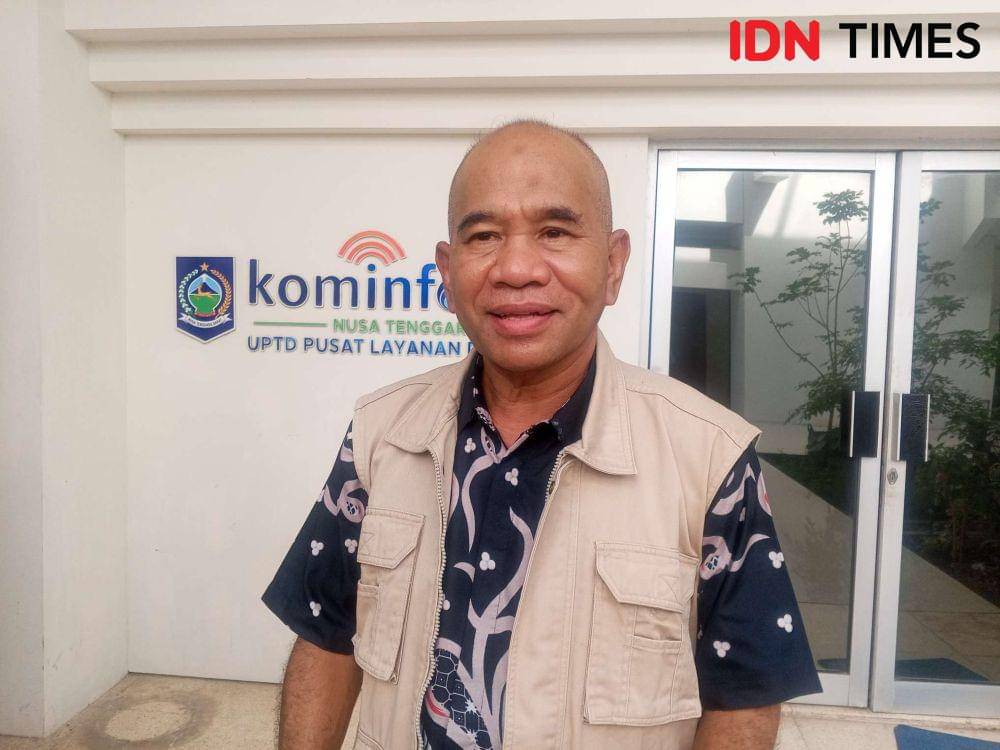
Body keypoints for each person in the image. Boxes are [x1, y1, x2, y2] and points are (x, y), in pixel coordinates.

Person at [262, 119, 821, 750]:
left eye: (555, 231)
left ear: (613, 264)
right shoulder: (380, 432)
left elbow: (743, 699)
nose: (517, 269)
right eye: (484, 236)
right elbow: (325, 634)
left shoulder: (710, 457)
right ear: (447, 271)